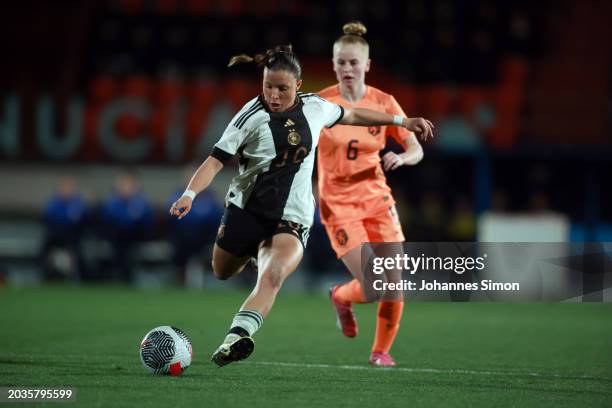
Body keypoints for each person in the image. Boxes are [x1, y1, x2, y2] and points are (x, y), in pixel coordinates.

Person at [169, 44, 433, 367]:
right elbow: (214, 162)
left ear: (298, 85)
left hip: (293, 217)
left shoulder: (316, 108)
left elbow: (352, 114)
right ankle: (254, 254)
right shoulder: (248, 118)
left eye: (282, 88)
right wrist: (189, 194)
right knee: (222, 271)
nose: (274, 95)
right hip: (246, 211)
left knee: (275, 274)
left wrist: (401, 122)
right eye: (268, 87)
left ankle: (235, 338)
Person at [318, 22, 426, 366]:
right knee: (373, 284)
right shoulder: (321, 103)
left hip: (377, 198)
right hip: (337, 202)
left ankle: (380, 352)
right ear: (333, 64)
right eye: (341, 62)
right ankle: (340, 295)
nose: (347, 69)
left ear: (367, 65)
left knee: (394, 284)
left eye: (354, 62)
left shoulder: (384, 102)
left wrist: (403, 156)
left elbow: (415, 147)